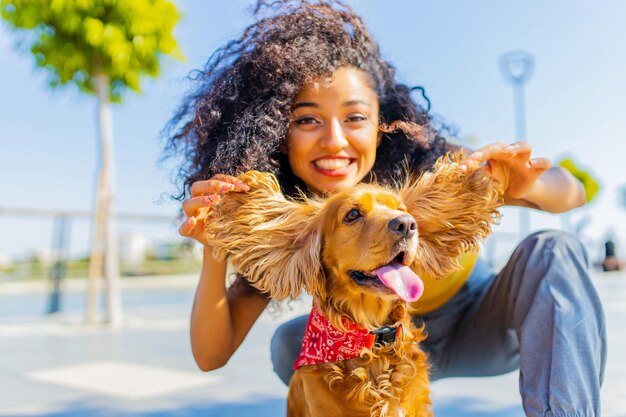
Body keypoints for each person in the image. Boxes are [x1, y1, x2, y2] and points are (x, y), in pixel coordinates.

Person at [164, 1, 606, 416]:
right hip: (358, 343)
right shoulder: (295, 228)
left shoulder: (431, 164)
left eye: (354, 117)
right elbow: (210, 354)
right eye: (307, 119)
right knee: (289, 342)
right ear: (278, 131)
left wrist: (530, 181)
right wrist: (217, 242)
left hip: (479, 324)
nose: (334, 139)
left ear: (382, 124)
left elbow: (573, 193)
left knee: (554, 249)